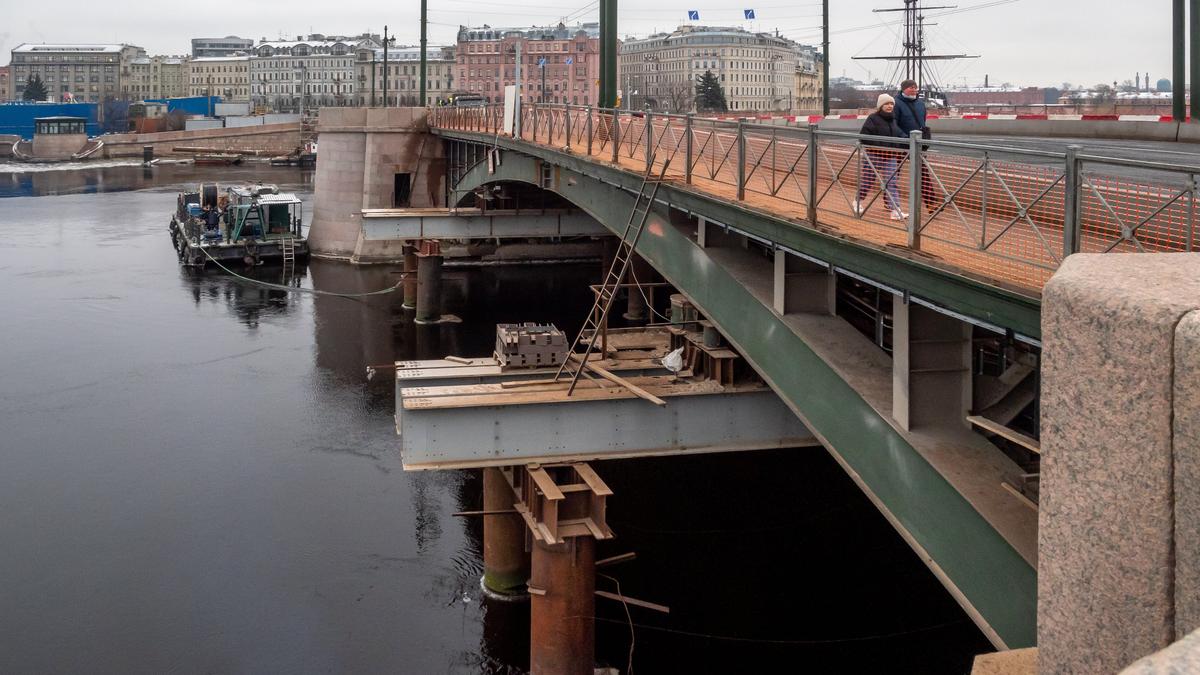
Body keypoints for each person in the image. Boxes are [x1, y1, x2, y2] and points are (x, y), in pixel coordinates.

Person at [855, 93, 908, 221]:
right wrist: (880, 146)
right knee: (868, 181)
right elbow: (864, 137)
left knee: (891, 183)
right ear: (880, 106)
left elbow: (899, 134)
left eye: (891, 104)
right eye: (886, 104)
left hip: (890, 156)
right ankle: (857, 201)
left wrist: (911, 139)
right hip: (874, 155)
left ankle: (895, 211)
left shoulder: (893, 119)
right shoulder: (872, 118)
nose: (890, 106)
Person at [894, 79, 938, 211]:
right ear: (903, 89)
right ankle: (889, 200)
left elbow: (922, 122)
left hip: (917, 144)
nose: (914, 90)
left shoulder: (920, 104)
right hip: (900, 144)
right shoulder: (896, 103)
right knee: (893, 173)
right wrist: (904, 137)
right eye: (911, 88)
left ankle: (931, 203)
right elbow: (894, 124)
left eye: (915, 87)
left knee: (922, 172)